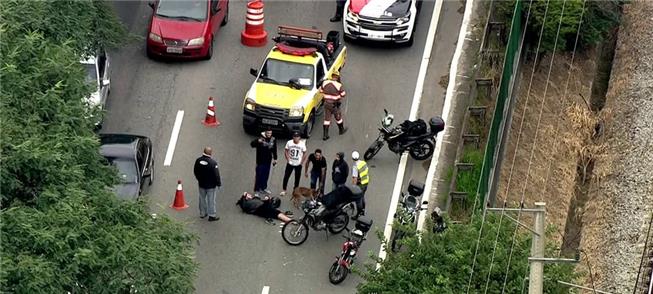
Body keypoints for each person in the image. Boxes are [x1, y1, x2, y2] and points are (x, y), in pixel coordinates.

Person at [193, 147, 222, 221]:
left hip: (201, 184)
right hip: (211, 186)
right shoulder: (213, 163)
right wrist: (218, 183)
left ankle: (202, 213)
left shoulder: (198, 160)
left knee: (202, 198)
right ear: (210, 153)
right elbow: (216, 175)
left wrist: (198, 179)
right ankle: (212, 215)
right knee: (211, 200)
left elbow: (195, 171)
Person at [318, 72, 347, 141]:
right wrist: (338, 96)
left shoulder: (325, 82)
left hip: (326, 103)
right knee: (338, 117)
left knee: (327, 119)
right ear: (337, 77)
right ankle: (341, 130)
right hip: (334, 104)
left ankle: (325, 135)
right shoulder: (338, 85)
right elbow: (343, 94)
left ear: (332, 76)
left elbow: (320, 90)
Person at [250, 128, 278, 195]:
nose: (269, 134)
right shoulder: (260, 139)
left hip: (268, 161)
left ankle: (263, 188)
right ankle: (257, 190)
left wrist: (275, 159)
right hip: (260, 161)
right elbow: (252, 144)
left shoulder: (273, 139)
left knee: (266, 175)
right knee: (259, 176)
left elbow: (274, 149)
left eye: (270, 133)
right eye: (268, 133)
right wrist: (257, 141)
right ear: (265, 132)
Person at [280, 132, 307, 196]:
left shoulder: (302, 144)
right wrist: (288, 159)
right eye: (295, 137)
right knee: (286, 176)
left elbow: (305, 153)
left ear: (299, 138)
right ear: (293, 137)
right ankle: (284, 190)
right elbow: (286, 151)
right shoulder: (289, 142)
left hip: (298, 164)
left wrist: (301, 162)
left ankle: (295, 191)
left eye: (297, 137)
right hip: (290, 163)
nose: (296, 138)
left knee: (297, 178)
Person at [351, 151, 369, 216]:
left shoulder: (355, 166)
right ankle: (363, 210)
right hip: (365, 183)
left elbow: (355, 178)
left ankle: (359, 213)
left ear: (352, 158)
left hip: (360, 184)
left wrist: (353, 187)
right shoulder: (363, 163)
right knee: (362, 197)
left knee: (358, 199)